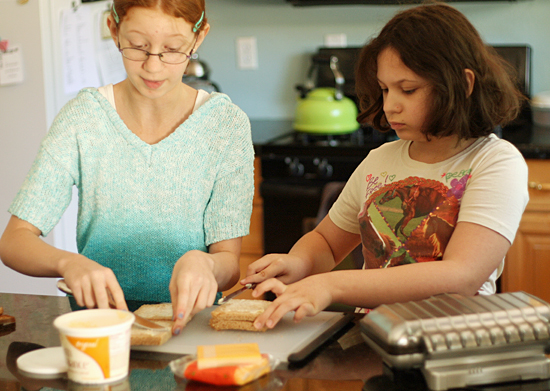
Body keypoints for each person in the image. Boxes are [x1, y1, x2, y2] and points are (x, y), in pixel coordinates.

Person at [242, 2, 529, 331]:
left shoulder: (494, 162)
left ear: (463, 85)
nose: (391, 105)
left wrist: (332, 286)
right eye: (384, 89)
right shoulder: (379, 160)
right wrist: (298, 262)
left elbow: (460, 276)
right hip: (376, 337)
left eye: (408, 89)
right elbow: (326, 241)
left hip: (455, 349)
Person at [0, 0, 254, 336]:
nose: (153, 66)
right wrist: (68, 262)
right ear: (113, 29)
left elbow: (228, 263)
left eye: (173, 49)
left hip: (193, 329)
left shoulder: (226, 125)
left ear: (199, 37)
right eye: (137, 46)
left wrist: (206, 263)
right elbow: (14, 241)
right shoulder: (83, 118)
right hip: (99, 328)